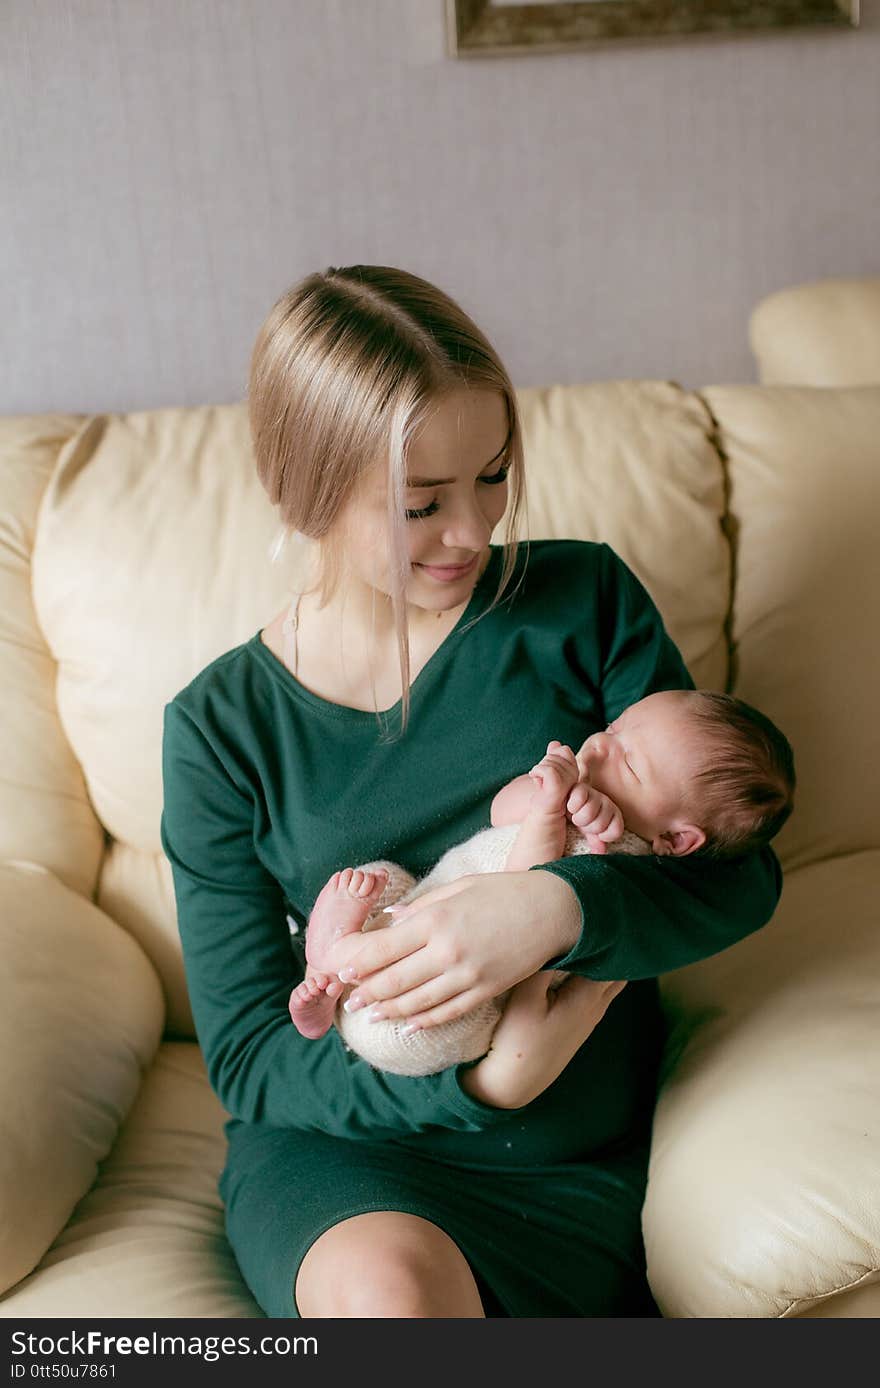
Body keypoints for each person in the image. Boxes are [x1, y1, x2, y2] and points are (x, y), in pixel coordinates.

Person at [160, 264, 783, 1318]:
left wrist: (555, 905)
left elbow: (736, 874)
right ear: (299, 488)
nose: (471, 531)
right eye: (418, 504)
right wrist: (482, 1080)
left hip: (572, 1155)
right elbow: (252, 1055)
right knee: (391, 1303)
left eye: (492, 477)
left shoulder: (579, 601)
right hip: (353, 1155)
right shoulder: (219, 730)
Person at [289, 690, 795, 1075]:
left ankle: (338, 965)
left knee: (397, 1032)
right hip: (419, 903)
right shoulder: (580, 783)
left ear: (676, 840)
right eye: (615, 727)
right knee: (374, 881)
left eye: (630, 763)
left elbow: (521, 891)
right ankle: (330, 970)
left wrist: (554, 814)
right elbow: (500, 810)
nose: (599, 744)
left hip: (442, 1007)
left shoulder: (617, 864)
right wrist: (544, 792)